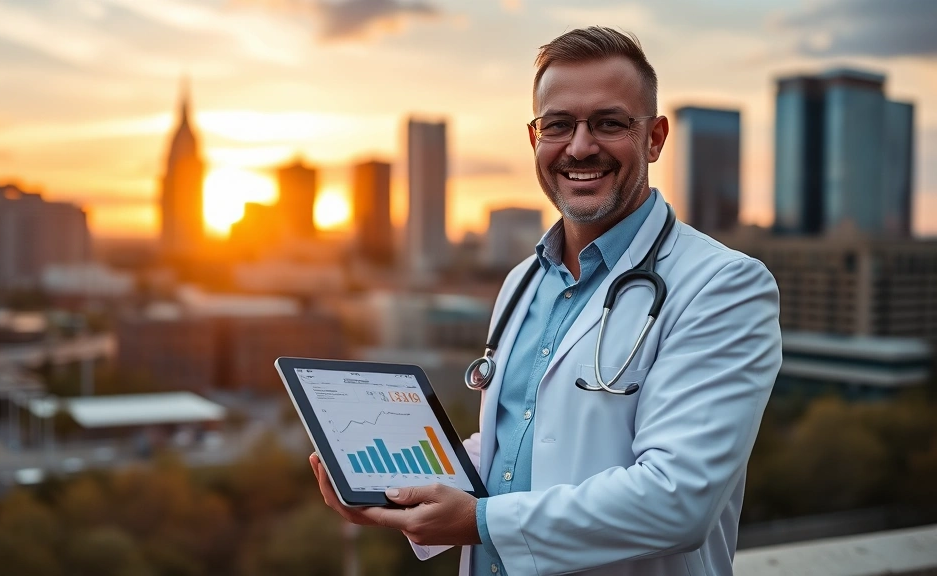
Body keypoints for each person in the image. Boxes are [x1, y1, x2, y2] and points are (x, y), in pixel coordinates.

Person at [310, 25, 781, 576]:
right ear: (535, 140)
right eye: (559, 125)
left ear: (654, 138)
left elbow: (677, 500)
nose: (580, 147)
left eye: (608, 123)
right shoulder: (522, 283)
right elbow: (516, 441)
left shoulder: (724, 286)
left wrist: (479, 523)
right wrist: (392, 486)